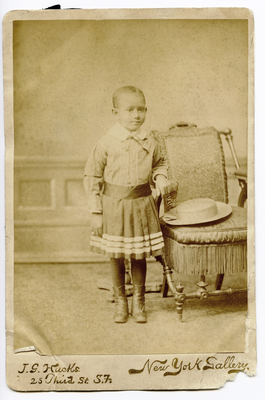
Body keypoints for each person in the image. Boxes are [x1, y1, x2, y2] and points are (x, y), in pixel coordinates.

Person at [84, 86, 172, 324]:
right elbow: (92, 177)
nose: (136, 115)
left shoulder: (150, 141)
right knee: (116, 255)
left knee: (139, 255)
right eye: (130, 109)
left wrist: (160, 176)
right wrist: (96, 211)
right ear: (116, 112)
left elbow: (160, 163)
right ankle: (121, 300)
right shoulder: (106, 143)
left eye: (141, 109)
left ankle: (139, 303)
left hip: (142, 205)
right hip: (114, 205)